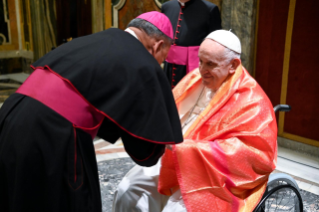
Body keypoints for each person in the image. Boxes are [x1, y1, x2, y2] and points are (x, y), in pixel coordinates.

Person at [0, 11, 183, 212]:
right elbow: (144, 151)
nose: (159, 63)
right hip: (50, 134)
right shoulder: (143, 61)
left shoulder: (96, 39)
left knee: (17, 192)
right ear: (158, 45)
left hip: (12, 116)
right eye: (162, 58)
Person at [113, 30, 277, 212]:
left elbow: (251, 157)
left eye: (210, 64)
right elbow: (170, 110)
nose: (201, 70)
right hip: (173, 157)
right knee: (128, 189)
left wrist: (183, 148)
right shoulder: (195, 78)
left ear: (233, 65)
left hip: (213, 175)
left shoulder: (253, 102)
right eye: (200, 61)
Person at [161, 0, 222, 89]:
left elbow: (216, 45)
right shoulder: (167, 7)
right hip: (169, 69)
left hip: (195, 70)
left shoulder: (210, 9)